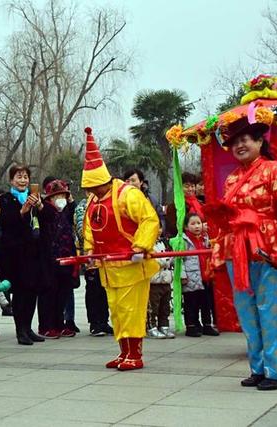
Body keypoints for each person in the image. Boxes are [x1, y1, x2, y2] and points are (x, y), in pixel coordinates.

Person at [210, 107, 277, 390]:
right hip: (236, 252)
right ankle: (258, 368)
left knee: (270, 311)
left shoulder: (274, 171)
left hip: (267, 250)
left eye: (246, 139)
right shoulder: (232, 179)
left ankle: (275, 370)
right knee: (247, 313)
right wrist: (216, 253)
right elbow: (225, 222)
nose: (239, 145)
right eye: (234, 142)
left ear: (260, 141)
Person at [81, 128, 160, 371]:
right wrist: (90, 254)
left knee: (131, 310)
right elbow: (89, 231)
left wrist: (140, 245)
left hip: (132, 264)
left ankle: (135, 353)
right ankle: (123, 351)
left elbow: (150, 220)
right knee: (116, 311)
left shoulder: (128, 195)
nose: (91, 192)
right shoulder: (93, 202)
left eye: (94, 187)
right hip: (108, 266)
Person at [0, 164, 45, 345]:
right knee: (20, 293)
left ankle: (28, 327)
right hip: (14, 255)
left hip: (33, 252)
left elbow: (45, 220)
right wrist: (22, 211)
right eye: (19, 177)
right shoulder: (5, 199)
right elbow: (6, 224)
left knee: (32, 292)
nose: (23, 180)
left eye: (25, 177)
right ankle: (20, 330)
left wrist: (39, 206)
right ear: (11, 180)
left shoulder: (34, 198)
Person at [37, 179, 78, 338]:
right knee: (48, 293)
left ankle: (59, 324)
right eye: (57, 195)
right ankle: (45, 326)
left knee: (62, 294)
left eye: (63, 195)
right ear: (49, 198)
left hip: (66, 259)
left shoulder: (66, 212)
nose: (61, 198)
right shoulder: (45, 211)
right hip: (49, 260)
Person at [74, 193, 112, 336]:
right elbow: (81, 231)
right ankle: (94, 324)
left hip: (106, 255)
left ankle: (104, 321)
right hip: (91, 255)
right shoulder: (82, 207)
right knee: (93, 290)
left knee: (104, 290)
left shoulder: (107, 203)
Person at [182, 213, 218, 338]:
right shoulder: (183, 240)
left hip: (205, 275)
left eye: (199, 223)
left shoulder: (205, 238)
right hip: (191, 276)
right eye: (193, 224)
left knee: (206, 302)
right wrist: (182, 275)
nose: (197, 226)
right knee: (191, 303)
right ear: (186, 227)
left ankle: (207, 325)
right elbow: (179, 260)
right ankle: (191, 326)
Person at [147, 231, 175, 339]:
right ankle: (151, 327)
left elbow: (170, 257)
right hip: (153, 281)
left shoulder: (164, 242)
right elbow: (156, 260)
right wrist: (165, 260)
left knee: (165, 306)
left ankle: (164, 326)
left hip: (166, 279)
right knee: (153, 307)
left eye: (159, 227)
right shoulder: (147, 243)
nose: (157, 230)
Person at [123, 169, 165, 233]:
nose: (130, 184)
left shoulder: (151, 199)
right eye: (127, 181)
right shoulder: (120, 200)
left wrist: (161, 229)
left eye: (133, 180)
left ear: (141, 182)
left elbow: (160, 217)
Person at [166, 172, 203, 238]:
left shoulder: (200, 204)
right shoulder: (174, 206)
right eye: (186, 186)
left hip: (202, 240)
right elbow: (173, 229)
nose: (190, 189)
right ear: (180, 187)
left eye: (192, 186)